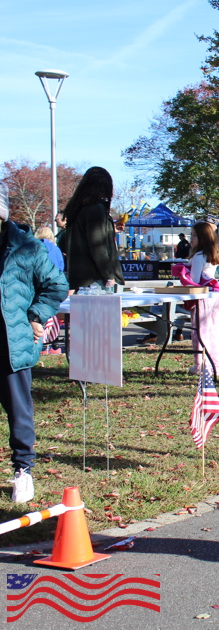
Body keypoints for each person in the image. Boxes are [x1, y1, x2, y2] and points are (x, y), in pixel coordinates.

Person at [0, 183, 70, 503]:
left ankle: (23, 471)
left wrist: (37, 315)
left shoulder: (27, 247)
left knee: (19, 411)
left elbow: (56, 285)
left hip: (12, 343)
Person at [59, 166, 123, 292]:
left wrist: (110, 229)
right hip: (95, 279)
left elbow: (67, 242)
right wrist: (109, 274)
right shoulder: (95, 209)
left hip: (79, 278)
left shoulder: (77, 209)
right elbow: (98, 246)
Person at [188, 221, 219, 377]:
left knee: (200, 332)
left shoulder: (198, 256)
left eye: (194, 235)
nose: (191, 239)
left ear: (202, 237)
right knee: (212, 331)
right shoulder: (211, 254)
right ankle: (215, 364)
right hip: (214, 293)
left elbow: (194, 280)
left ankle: (201, 365)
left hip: (202, 296)